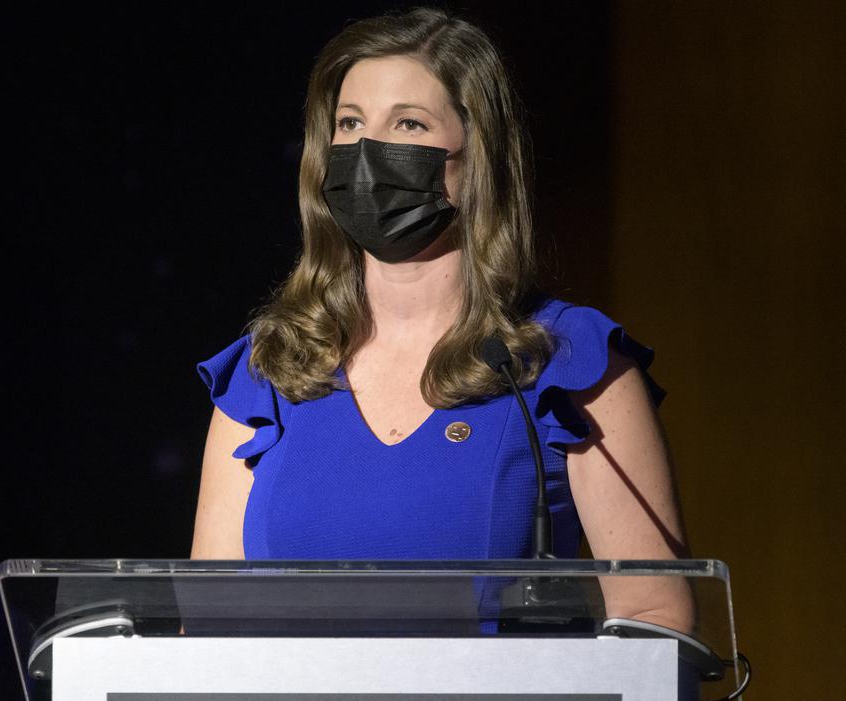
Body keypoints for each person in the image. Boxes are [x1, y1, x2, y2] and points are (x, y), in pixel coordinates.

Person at [189, 6, 692, 633]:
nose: (368, 152)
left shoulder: (568, 363)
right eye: (349, 124)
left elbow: (653, 618)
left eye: (408, 123)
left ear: (477, 154)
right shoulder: (269, 369)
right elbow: (207, 628)